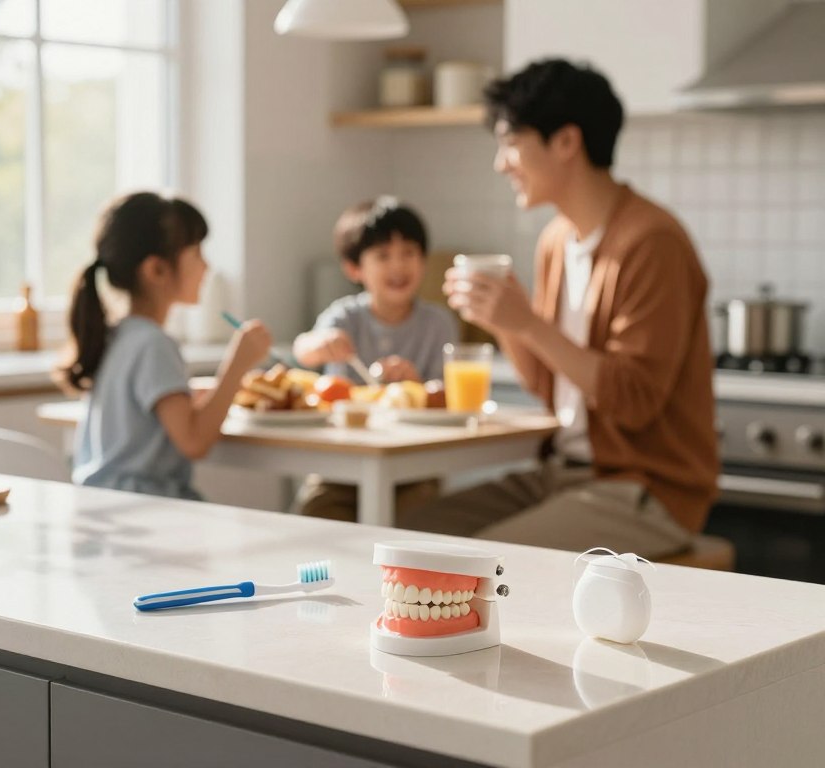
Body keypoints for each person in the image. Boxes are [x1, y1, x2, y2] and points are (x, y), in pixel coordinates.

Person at [398, 59, 719, 559]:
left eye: (510, 142)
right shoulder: (556, 241)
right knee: (403, 538)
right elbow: (546, 384)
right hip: (563, 474)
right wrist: (503, 323)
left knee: (470, 564)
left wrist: (526, 322)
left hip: (647, 489)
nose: (501, 162)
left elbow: (634, 399)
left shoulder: (652, 242)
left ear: (566, 142)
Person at [62, 191, 272, 500]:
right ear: (156, 270)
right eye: (197, 254)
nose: (206, 267)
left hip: (105, 505)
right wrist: (237, 365)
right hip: (146, 512)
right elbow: (194, 441)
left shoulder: (118, 335)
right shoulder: (153, 344)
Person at [292, 197, 459, 520]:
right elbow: (303, 350)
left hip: (414, 470)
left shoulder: (438, 324)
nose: (398, 266)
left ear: (423, 260)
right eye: (383, 256)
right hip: (341, 465)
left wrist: (416, 388)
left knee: (418, 521)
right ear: (355, 268)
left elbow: (449, 397)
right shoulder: (345, 316)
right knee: (313, 514)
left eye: (408, 253)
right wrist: (321, 343)